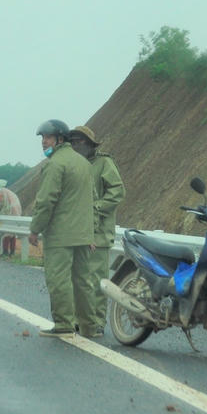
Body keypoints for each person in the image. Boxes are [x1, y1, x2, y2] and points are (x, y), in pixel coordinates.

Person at [28, 119, 97, 338]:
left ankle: (64, 324)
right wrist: (91, 232)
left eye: (47, 137)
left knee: (59, 280)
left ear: (59, 139)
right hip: (83, 234)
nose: (43, 142)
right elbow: (91, 200)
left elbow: (47, 200)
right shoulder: (84, 163)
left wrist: (35, 229)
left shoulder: (55, 164)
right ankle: (89, 326)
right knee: (83, 282)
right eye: (42, 138)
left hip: (60, 234)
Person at [69, 125, 125, 332]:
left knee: (97, 280)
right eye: (72, 141)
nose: (76, 145)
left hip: (99, 233)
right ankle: (79, 319)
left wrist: (96, 208)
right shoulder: (73, 166)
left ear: (90, 144)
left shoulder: (104, 163)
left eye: (80, 141)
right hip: (77, 232)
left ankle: (97, 322)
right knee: (78, 280)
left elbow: (117, 192)